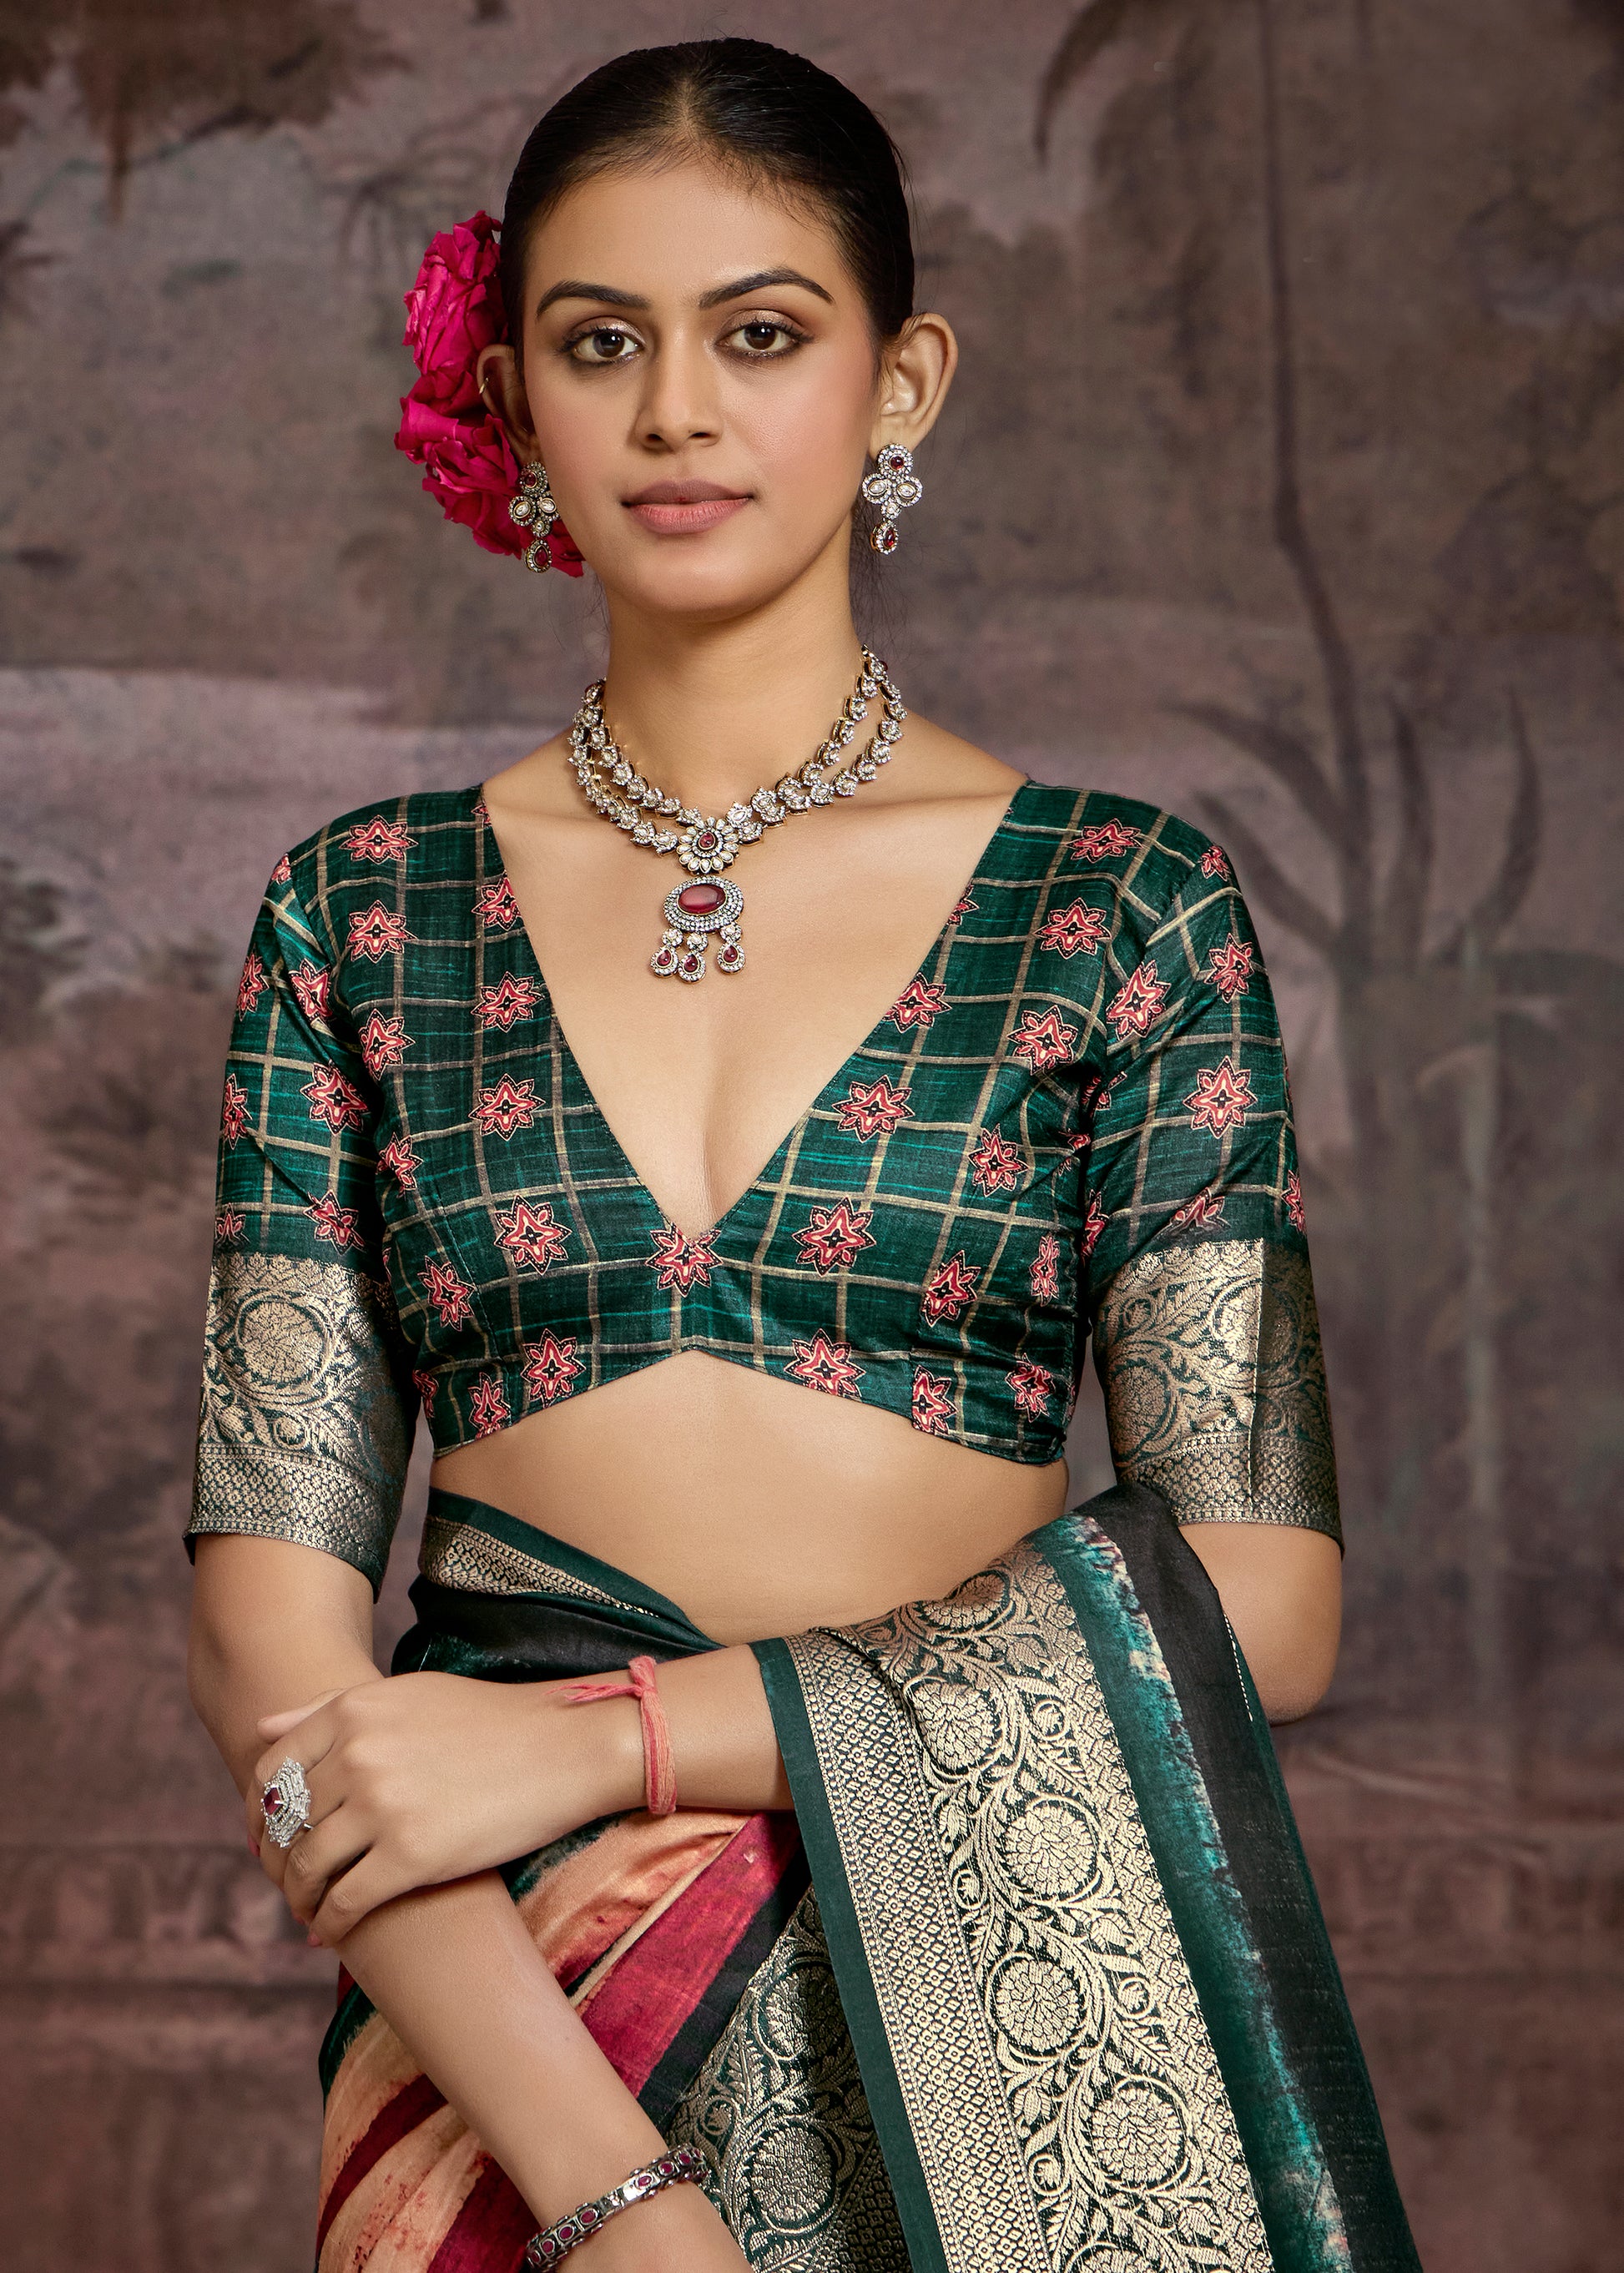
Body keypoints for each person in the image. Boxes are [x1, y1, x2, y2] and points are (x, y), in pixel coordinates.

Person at [185, 38, 1417, 2273]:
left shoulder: (1116, 906)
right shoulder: (360, 915)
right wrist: (608, 2192)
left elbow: (1264, 1597)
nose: (677, 412)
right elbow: (275, 1644)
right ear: (516, 398)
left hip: (1009, 1992)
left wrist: (609, 1741)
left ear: (899, 379)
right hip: (514, 2023)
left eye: (758, 335)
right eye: (601, 345)